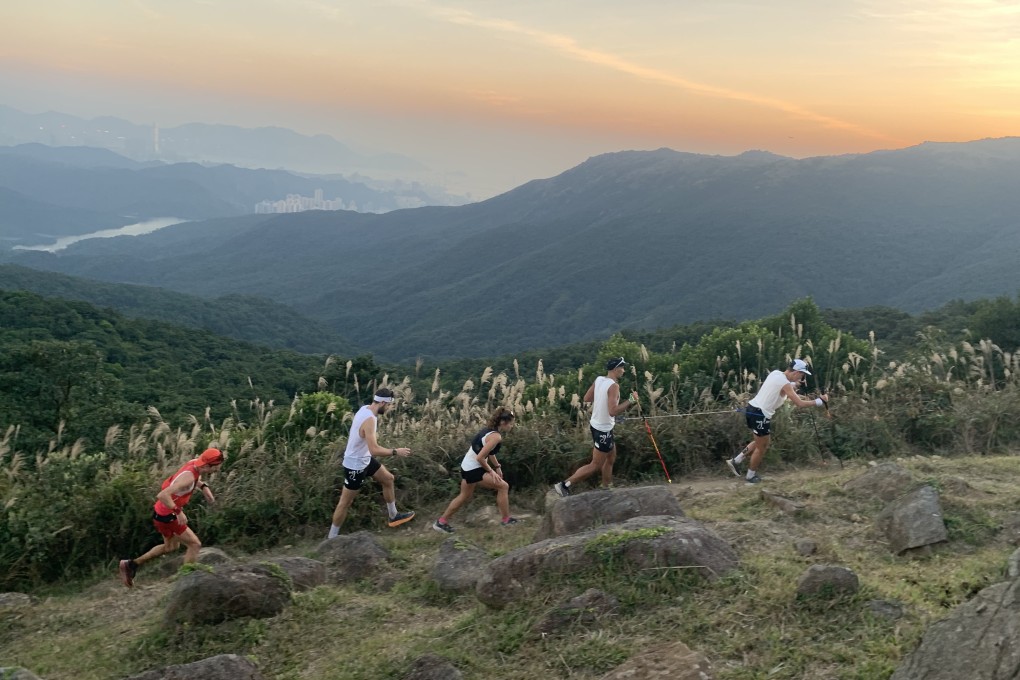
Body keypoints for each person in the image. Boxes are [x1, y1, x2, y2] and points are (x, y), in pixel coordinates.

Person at [118, 447, 225, 587]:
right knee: (195, 544)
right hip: (168, 515)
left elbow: (192, 479)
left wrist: (203, 486)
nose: (218, 469)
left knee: (170, 547)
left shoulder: (194, 463)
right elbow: (162, 495)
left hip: (160, 513)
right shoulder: (188, 478)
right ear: (207, 466)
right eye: (217, 467)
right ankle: (186, 580)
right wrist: (178, 512)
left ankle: (131, 564)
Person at [327, 387, 415, 538]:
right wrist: (395, 451)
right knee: (345, 503)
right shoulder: (370, 420)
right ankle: (332, 538)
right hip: (355, 465)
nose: (389, 408)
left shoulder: (365, 409)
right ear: (382, 403)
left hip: (364, 459)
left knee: (388, 479)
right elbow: (374, 449)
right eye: (388, 405)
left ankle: (393, 516)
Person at [725, 358, 829, 484]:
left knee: (760, 441)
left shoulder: (776, 373)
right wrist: (819, 401)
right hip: (760, 414)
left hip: (752, 409)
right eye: (801, 375)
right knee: (762, 446)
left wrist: (796, 385)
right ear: (796, 372)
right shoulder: (784, 383)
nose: (801, 378)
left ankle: (736, 461)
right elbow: (800, 403)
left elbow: (783, 387)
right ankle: (750, 477)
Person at [553, 356, 639, 496]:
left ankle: (606, 487)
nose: (624, 370)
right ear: (616, 369)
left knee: (611, 457)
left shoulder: (599, 380)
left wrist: (601, 398)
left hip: (597, 425)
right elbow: (613, 411)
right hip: (603, 430)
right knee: (595, 465)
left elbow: (586, 398)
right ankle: (564, 485)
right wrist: (631, 400)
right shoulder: (614, 386)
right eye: (622, 368)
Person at [433, 407, 518, 533]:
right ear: (502, 422)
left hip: (466, 466)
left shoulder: (489, 430)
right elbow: (480, 458)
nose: (512, 425)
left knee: (464, 495)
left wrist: (497, 466)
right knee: (503, 486)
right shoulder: (496, 437)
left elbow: (489, 452)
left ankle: (441, 522)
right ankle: (506, 520)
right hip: (474, 468)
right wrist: (491, 471)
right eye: (510, 423)